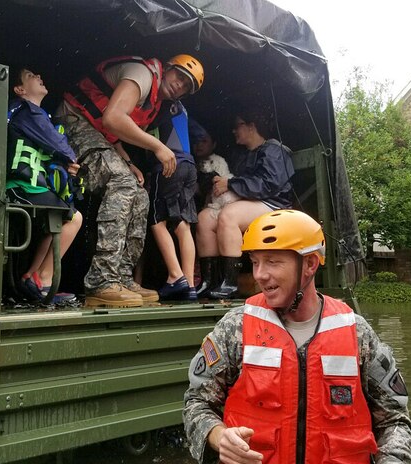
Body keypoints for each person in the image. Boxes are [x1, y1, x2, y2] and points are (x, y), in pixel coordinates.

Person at [183, 209, 411, 464]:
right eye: (255, 262)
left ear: (310, 264)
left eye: (272, 261)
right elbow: (196, 404)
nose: (259, 274)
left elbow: (394, 420)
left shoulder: (357, 333)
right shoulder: (235, 329)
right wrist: (218, 436)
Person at [57, 54, 205, 307]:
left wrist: (128, 162)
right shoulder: (142, 74)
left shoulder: (155, 101)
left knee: (139, 190)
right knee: (122, 183)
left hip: (97, 134)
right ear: (167, 68)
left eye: (186, 86)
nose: (180, 84)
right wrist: (158, 146)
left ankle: (122, 277)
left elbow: (111, 134)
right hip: (72, 121)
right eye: (179, 76)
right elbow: (113, 118)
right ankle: (102, 280)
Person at [196, 111, 294, 300]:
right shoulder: (241, 155)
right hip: (248, 203)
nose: (234, 130)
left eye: (238, 125)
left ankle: (230, 283)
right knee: (204, 219)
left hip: (273, 204)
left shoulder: (274, 150)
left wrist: (231, 184)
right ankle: (210, 282)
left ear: (252, 126)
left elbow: (268, 185)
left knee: (229, 215)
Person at [7, 67, 83, 303]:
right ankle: (44, 279)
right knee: (74, 218)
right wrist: (70, 158)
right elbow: (58, 144)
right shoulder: (28, 111)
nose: (39, 77)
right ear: (20, 90)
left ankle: (32, 277)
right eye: (31, 76)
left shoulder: (27, 114)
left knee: (58, 220)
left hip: (29, 186)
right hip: (20, 186)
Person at [147, 100, 199, 301]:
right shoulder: (182, 107)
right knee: (182, 223)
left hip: (169, 164)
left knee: (156, 219)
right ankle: (190, 286)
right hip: (189, 165)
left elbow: (141, 128)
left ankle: (175, 276)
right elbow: (200, 135)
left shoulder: (160, 103)